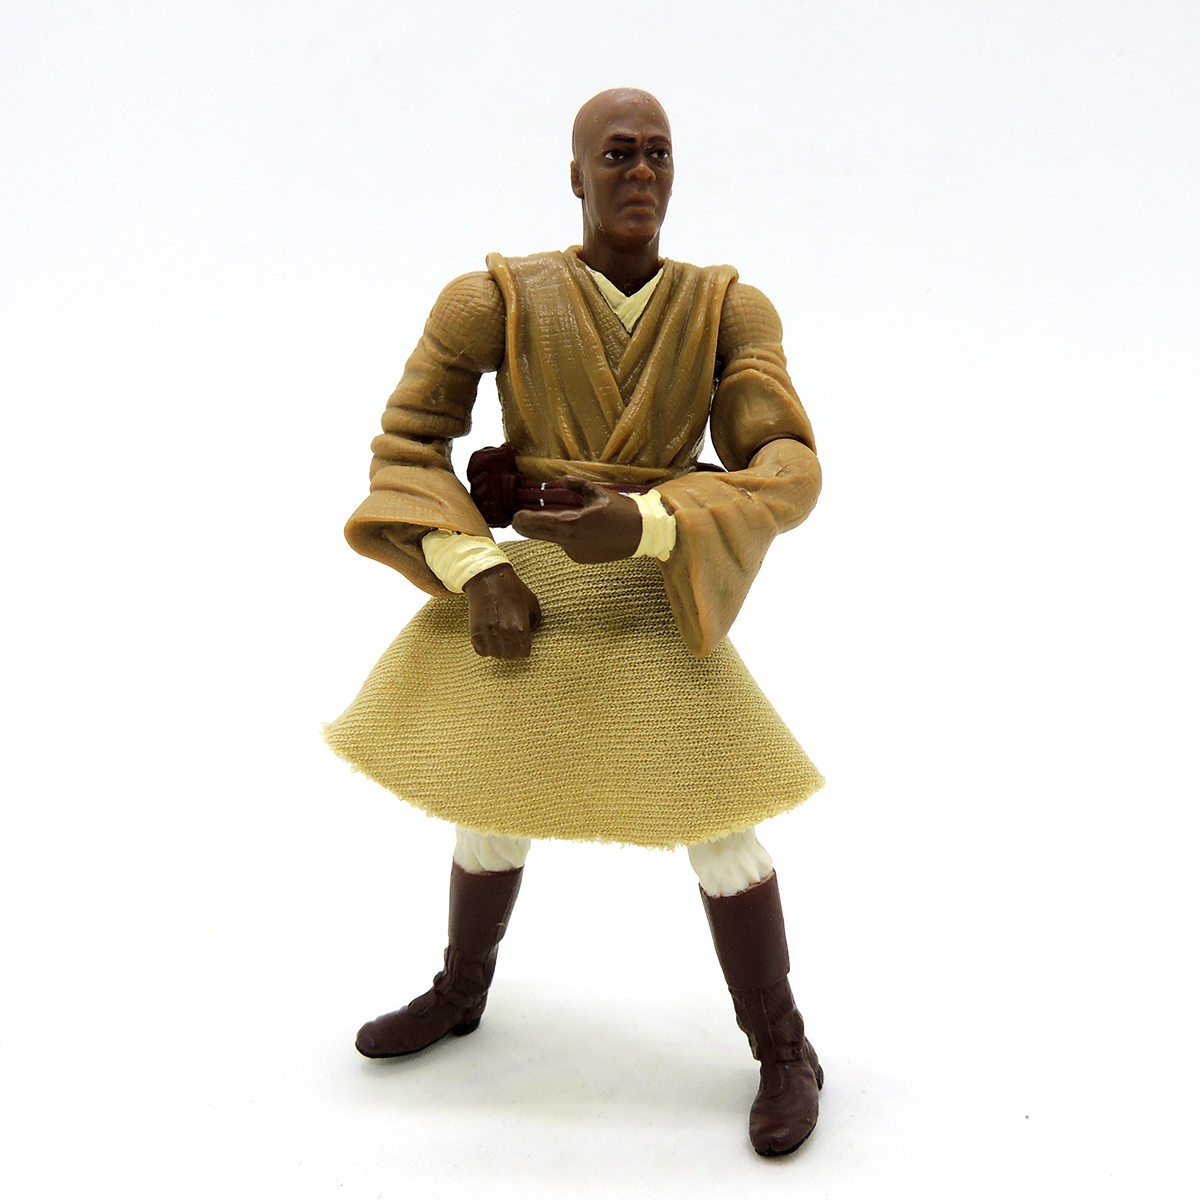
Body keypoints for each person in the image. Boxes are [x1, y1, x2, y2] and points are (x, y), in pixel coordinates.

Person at [325, 88, 826, 1157]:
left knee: (719, 817)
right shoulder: (494, 298)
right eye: (617, 154)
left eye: (658, 154)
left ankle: (783, 1043)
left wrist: (649, 522)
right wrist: (478, 572)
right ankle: (461, 988)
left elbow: (786, 466)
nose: (640, 173)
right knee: (487, 797)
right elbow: (407, 445)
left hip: (652, 586)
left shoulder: (728, 310)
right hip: (532, 594)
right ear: (575, 174)